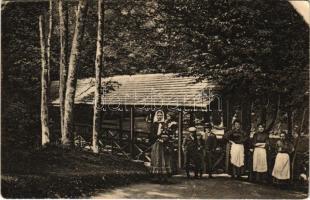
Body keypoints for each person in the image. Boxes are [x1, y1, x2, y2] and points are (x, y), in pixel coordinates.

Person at [150, 110, 172, 182]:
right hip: (156, 143)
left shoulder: (164, 124)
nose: (159, 116)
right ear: (156, 116)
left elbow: (168, 134)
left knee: (164, 159)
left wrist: (165, 139)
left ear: (163, 116)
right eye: (158, 115)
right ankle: (156, 176)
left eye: (161, 115)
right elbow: (151, 135)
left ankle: (164, 176)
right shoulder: (154, 124)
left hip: (164, 144)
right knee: (157, 159)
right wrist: (157, 136)